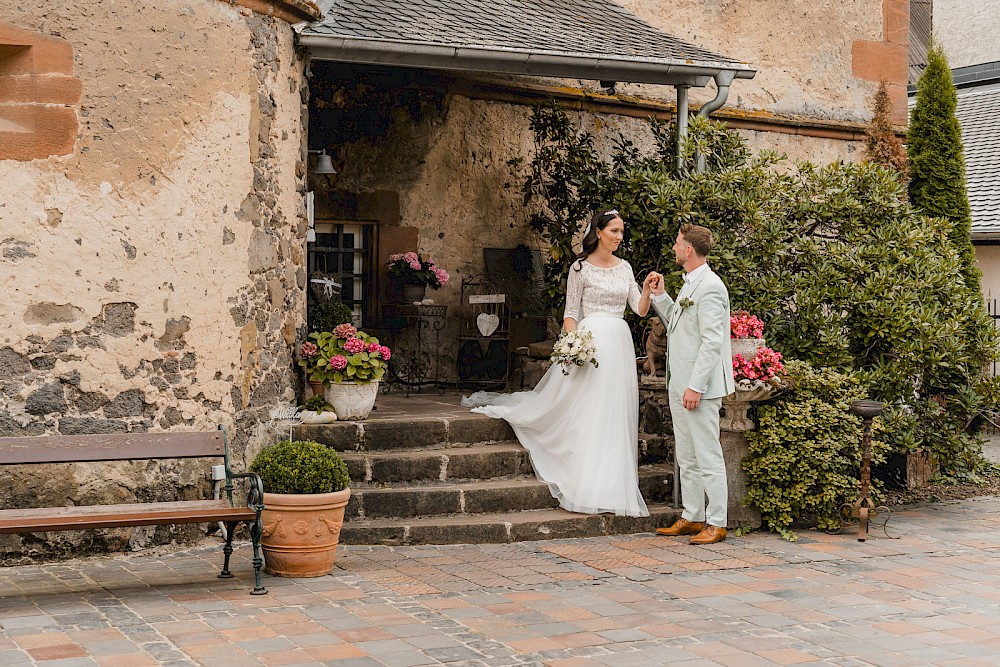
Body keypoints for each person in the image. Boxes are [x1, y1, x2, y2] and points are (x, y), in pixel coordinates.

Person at [464, 209, 656, 517]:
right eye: (615, 231)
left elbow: (640, 309)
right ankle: (586, 480)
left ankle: (612, 484)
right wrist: (572, 344)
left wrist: (646, 290)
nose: (620, 237)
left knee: (614, 412)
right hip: (591, 342)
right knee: (590, 410)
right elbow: (571, 312)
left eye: (622, 232)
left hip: (619, 343)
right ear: (599, 232)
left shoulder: (625, 268)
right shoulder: (580, 268)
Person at [649, 224, 735, 544]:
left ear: (688, 250)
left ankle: (717, 522)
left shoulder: (711, 286)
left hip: (698, 388)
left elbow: (712, 342)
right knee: (687, 454)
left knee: (707, 454)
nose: (673, 248)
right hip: (679, 383)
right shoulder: (690, 284)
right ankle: (693, 515)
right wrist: (660, 295)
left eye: (676, 243)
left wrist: (696, 386)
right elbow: (678, 325)